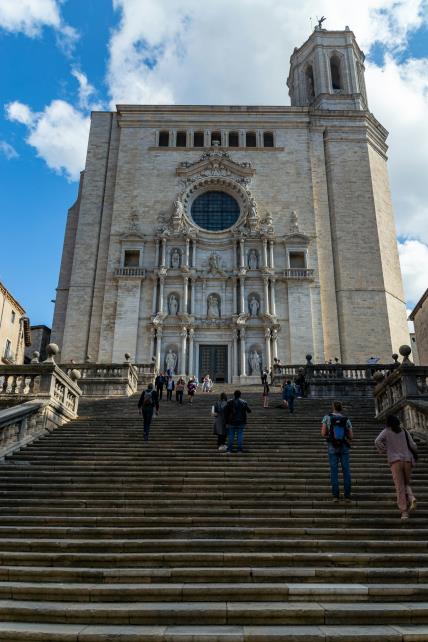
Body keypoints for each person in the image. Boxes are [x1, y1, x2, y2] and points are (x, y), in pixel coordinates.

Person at [375, 414, 417, 520]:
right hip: (407, 460)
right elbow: (413, 445)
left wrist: (384, 450)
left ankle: (404, 512)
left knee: (399, 486)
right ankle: (411, 498)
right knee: (406, 483)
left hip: (395, 461)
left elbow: (377, 441)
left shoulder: (386, 431)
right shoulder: (404, 431)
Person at [321, 401, 353, 503]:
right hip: (344, 445)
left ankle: (336, 496)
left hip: (332, 445)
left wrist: (330, 436)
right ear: (341, 408)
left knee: (334, 471)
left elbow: (323, 433)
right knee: (346, 471)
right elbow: (351, 436)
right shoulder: (346, 419)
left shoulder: (327, 418)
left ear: (333, 407)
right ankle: (347, 496)